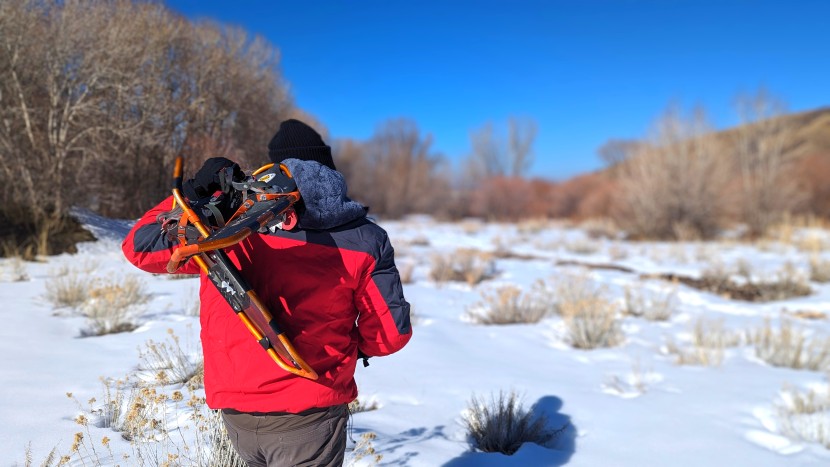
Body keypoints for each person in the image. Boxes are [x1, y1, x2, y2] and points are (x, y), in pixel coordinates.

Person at [122, 119, 413, 466]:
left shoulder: (224, 227)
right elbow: (390, 334)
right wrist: (347, 348)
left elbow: (140, 247)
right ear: (327, 172)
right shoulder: (365, 239)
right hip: (312, 409)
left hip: (235, 409)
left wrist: (194, 193)